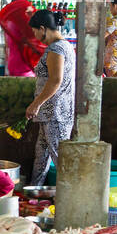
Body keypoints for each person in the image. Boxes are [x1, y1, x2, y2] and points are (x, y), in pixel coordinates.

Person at [25, 10, 75, 185]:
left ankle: (72, 197)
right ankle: (33, 193)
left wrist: (35, 104)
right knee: (42, 157)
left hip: (55, 114)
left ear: (42, 28)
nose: (35, 36)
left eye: (35, 31)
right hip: (49, 114)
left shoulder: (57, 49)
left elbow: (55, 80)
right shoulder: (63, 46)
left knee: (60, 159)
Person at [0, 0, 45, 77]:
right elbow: (34, 41)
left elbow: (7, 45)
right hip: (24, 67)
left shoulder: (9, 23)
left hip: (12, 64)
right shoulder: (22, 24)